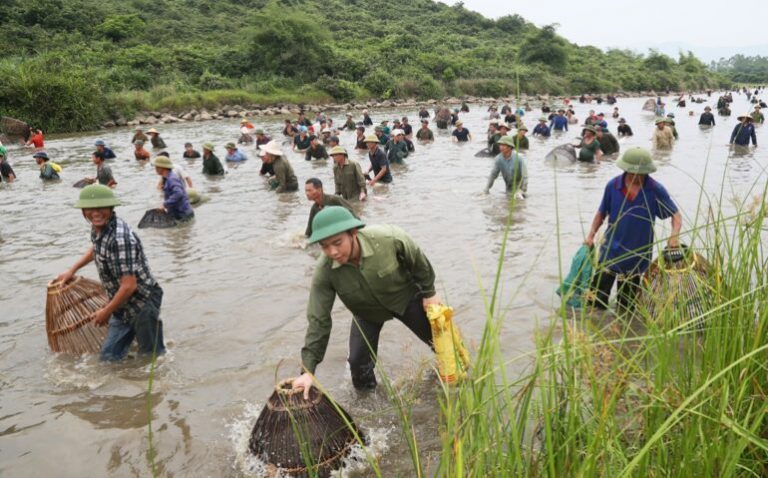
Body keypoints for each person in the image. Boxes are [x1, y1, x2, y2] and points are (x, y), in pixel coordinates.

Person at [291, 206, 440, 395]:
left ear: (353, 233)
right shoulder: (324, 270)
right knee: (358, 364)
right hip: (366, 312)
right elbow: (318, 319)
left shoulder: (388, 239)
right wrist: (307, 371)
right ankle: (371, 405)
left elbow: (417, 259)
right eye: (325, 246)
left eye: (337, 243)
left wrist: (430, 293)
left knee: (444, 345)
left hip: (405, 298)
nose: (333, 252)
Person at [56, 184, 165, 361]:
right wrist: (72, 270)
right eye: (90, 209)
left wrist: (106, 311)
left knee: (152, 357)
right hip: (122, 303)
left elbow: (129, 286)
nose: (96, 213)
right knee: (108, 358)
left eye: (101, 208)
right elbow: (96, 249)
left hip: (142, 301)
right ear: (83, 211)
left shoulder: (120, 238)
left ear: (111, 208)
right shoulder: (98, 228)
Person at [585, 148, 681, 311]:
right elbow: (601, 213)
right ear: (625, 169)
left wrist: (674, 236)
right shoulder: (613, 186)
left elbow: (676, 216)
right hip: (609, 253)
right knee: (595, 304)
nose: (637, 176)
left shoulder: (655, 189)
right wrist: (590, 236)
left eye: (642, 173)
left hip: (637, 257)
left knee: (626, 309)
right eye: (632, 173)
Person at [153, 156, 194, 222]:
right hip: (178, 213)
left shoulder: (172, 179)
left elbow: (178, 193)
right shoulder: (167, 178)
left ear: (162, 168)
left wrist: (165, 204)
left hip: (183, 214)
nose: (155, 169)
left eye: (157, 167)